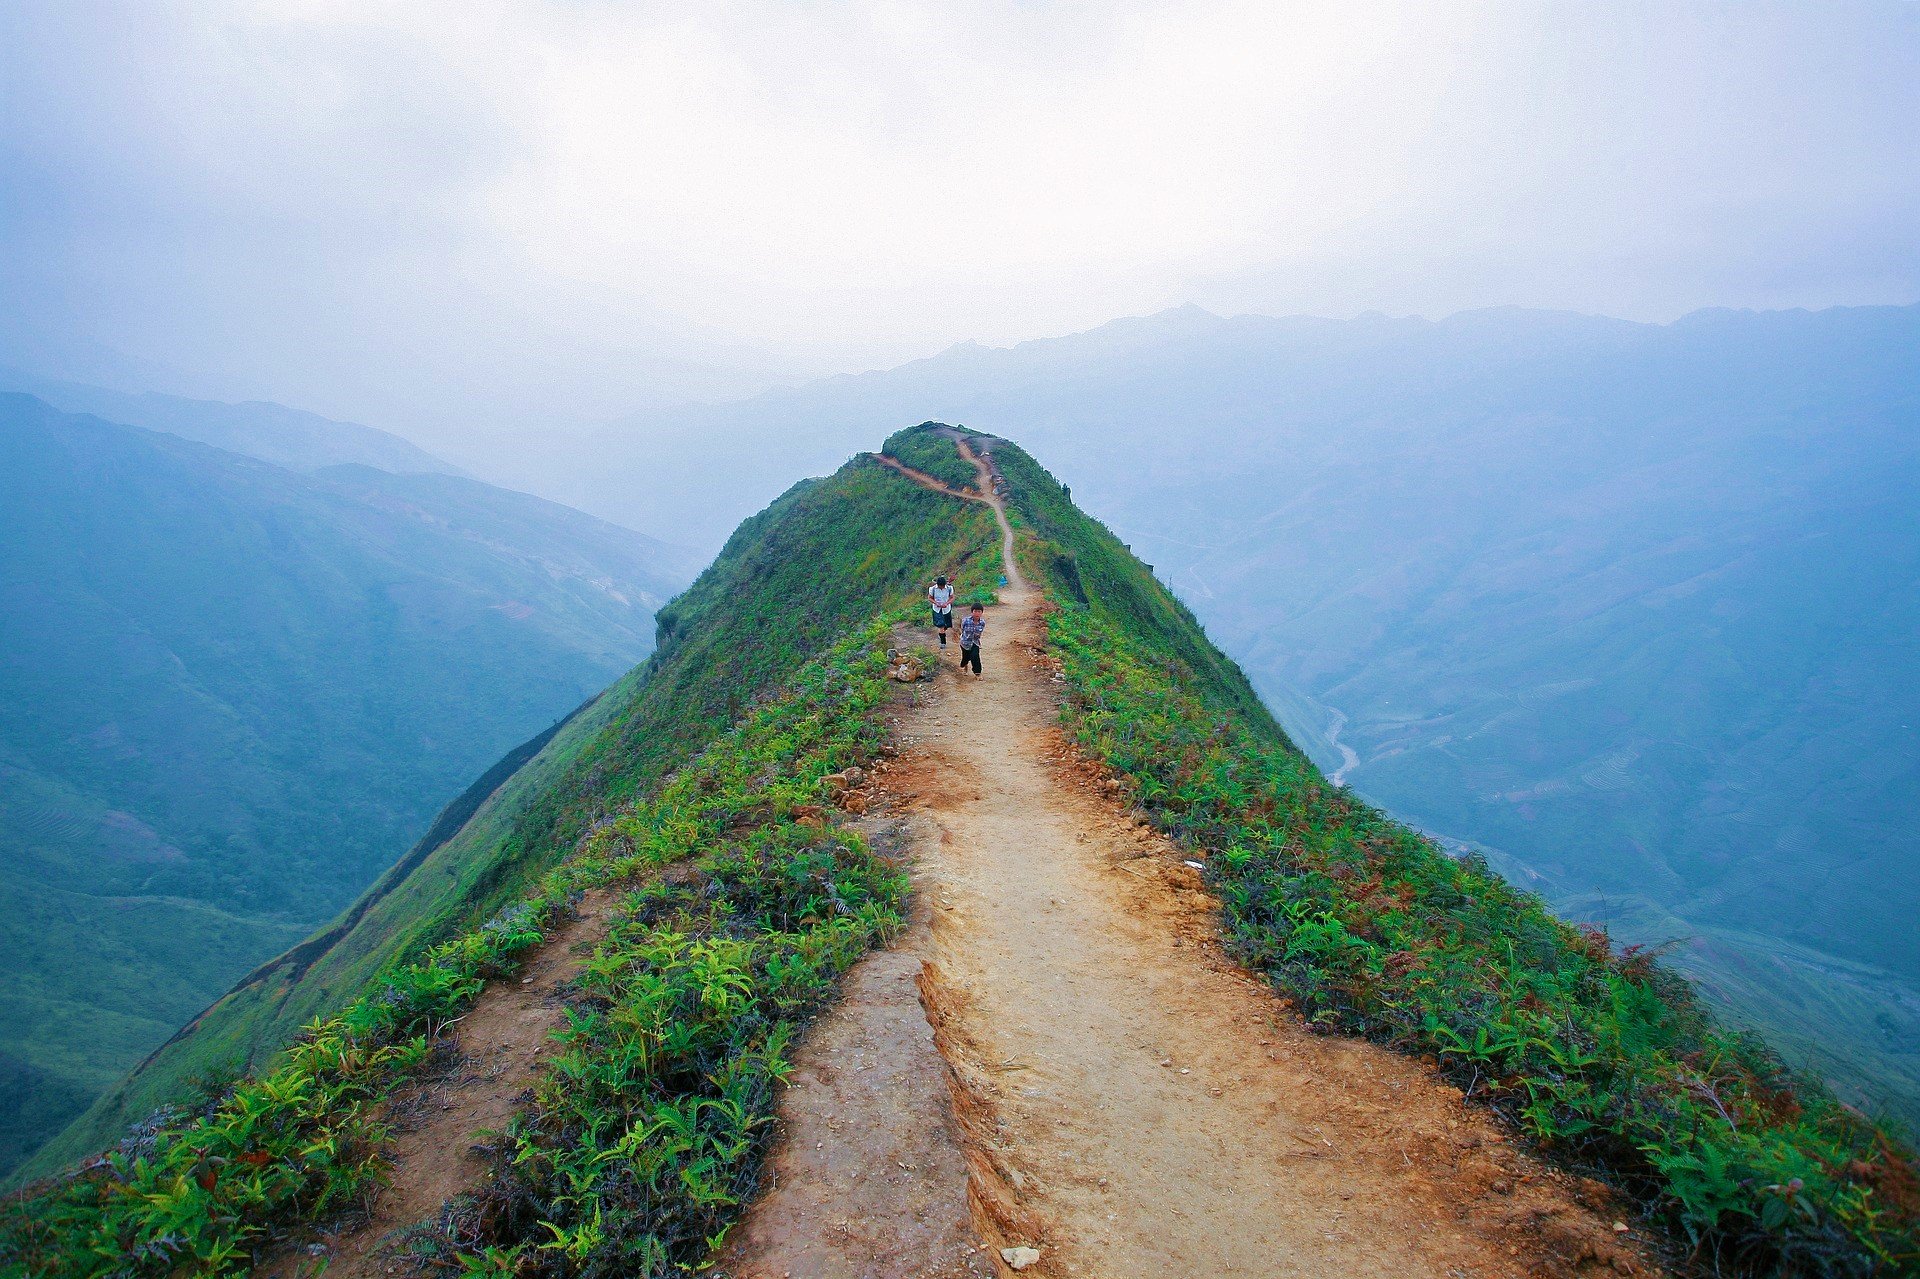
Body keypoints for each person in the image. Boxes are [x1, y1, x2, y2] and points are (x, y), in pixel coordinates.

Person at [958, 603, 986, 678]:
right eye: (975, 611)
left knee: (975, 656)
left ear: (982, 613)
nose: (977, 613)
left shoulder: (982, 623)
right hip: (965, 642)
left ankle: (978, 673)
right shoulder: (966, 621)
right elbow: (962, 629)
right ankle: (965, 666)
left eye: (979, 611)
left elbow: (980, 633)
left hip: (975, 642)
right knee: (965, 658)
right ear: (972, 612)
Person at [928, 575, 955, 649]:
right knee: (941, 625)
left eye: (943, 586)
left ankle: (941, 634)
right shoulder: (932, 589)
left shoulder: (949, 588)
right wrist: (936, 603)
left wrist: (947, 603)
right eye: (940, 586)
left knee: (946, 625)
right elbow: (930, 598)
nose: (942, 588)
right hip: (937, 609)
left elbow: (952, 597)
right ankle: (943, 642)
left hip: (946, 609)